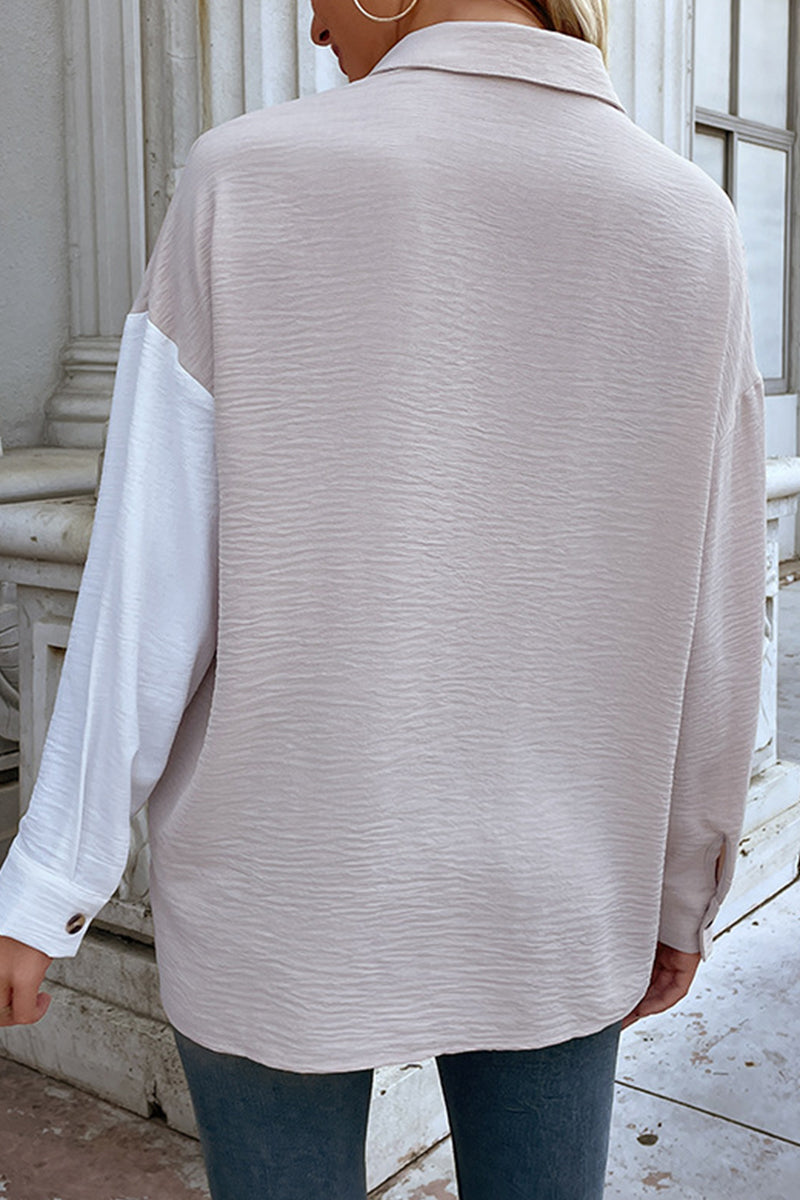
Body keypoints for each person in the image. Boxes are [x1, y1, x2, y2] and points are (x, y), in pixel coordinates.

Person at [0, 1, 766, 1197]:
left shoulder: (247, 178)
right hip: (559, 885)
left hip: (282, 875)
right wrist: (682, 885)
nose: (313, 28)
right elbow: (720, 614)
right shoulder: (687, 219)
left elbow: (148, 580)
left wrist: (51, 878)